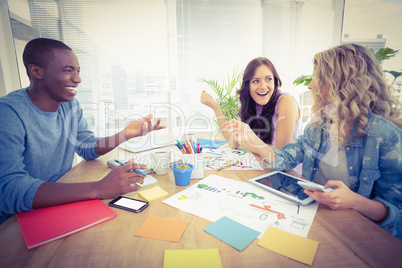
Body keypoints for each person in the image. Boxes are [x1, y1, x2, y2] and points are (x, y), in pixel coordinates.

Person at [228, 44, 402, 239]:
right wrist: (253, 141)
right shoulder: (320, 125)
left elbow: (397, 212)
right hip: (316, 219)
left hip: (358, 236)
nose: (311, 86)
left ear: (341, 83)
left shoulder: (384, 135)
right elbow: (285, 157)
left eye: (318, 79)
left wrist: (354, 201)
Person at [0, 38, 165, 224]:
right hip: (16, 221)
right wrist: (98, 188)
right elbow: (9, 190)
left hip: (58, 200)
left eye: (78, 71)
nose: (78, 79)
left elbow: (86, 146)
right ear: (36, 71)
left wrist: (125, 134)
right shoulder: (8, 114)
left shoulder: (69, 105)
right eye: (68, 70)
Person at [200, 57, 301, 150]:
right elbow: (233, 143)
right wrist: (216, 108)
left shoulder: (286, 102)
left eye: (268, 79)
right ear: (248, 85)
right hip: (261, 166)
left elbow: (281, 152)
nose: (263, 86)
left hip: (284, 170)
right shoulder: (253, 105)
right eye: (256, 81)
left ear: (275, 81)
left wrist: (249, 141)